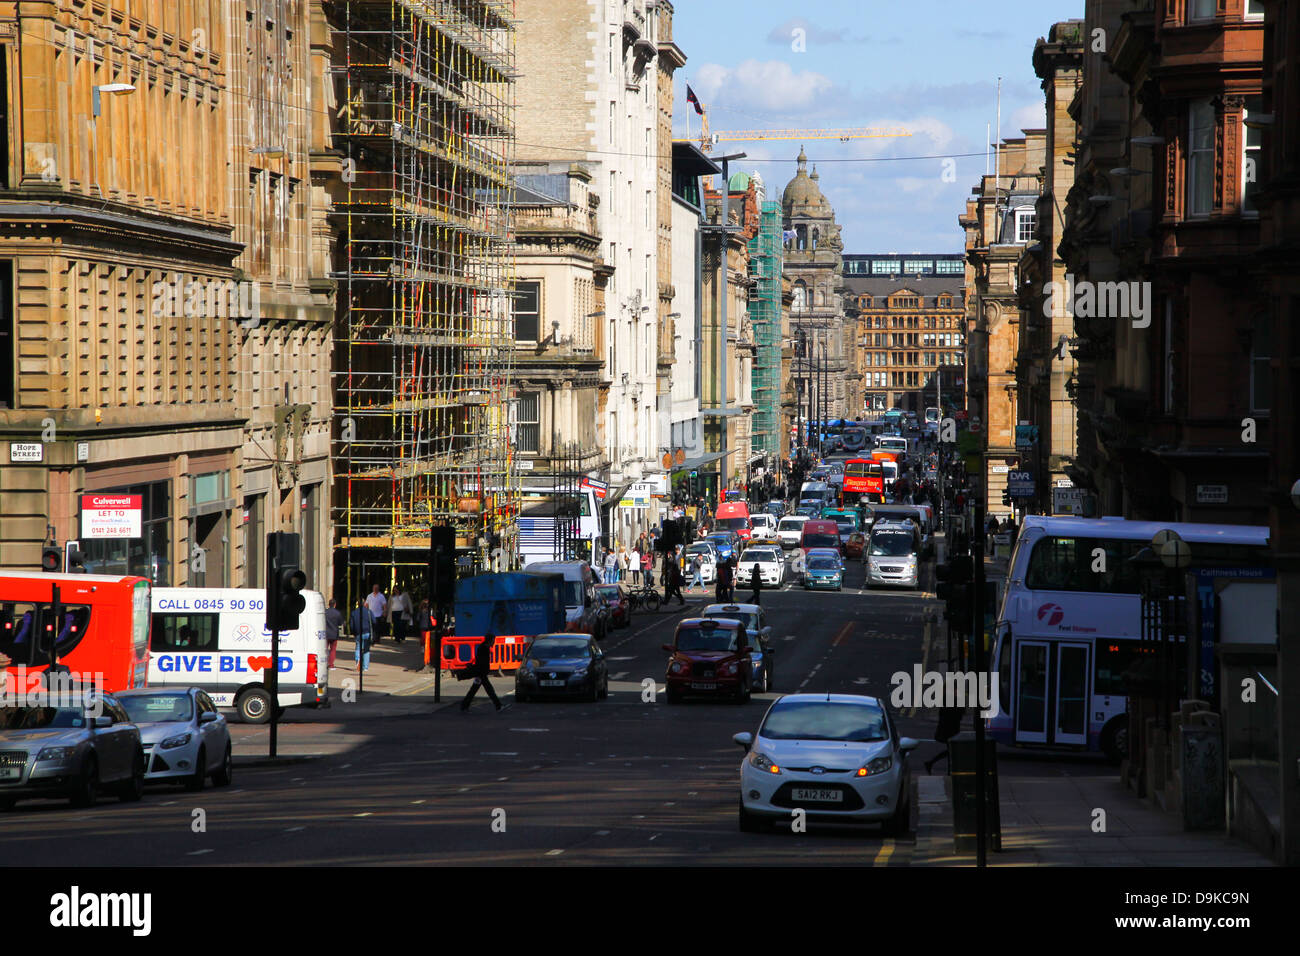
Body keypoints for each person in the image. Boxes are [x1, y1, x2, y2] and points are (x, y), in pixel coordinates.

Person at [460, 632, 503, 712]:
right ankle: (498, 706)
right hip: (481, 673)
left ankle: (464, 705)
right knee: (489, 690)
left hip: (481, 673)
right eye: (493, 640)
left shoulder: (484, 648)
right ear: (490, 640)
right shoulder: (483, 649)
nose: (494, 642)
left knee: (474, 690)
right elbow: (481, 663)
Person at [349, 598, 374, 673]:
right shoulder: (369, 612)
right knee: (366, 650)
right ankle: (365, 667)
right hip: (367, 632)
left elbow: (351, 625)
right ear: (364, 603)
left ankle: (358, 663)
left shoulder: (354, 613)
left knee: (358, 648)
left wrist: (353, 633)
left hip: (358, 633)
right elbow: (374, 621)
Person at [325, 598, 344, 670]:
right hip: (334, 633)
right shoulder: (337, 613)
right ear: (335, 605)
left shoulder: (325, 612)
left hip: (326, 633)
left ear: (329, 604)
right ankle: (331, 665)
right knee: (333, 650)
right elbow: (340, 623)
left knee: (325, 649)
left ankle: (324, 663)